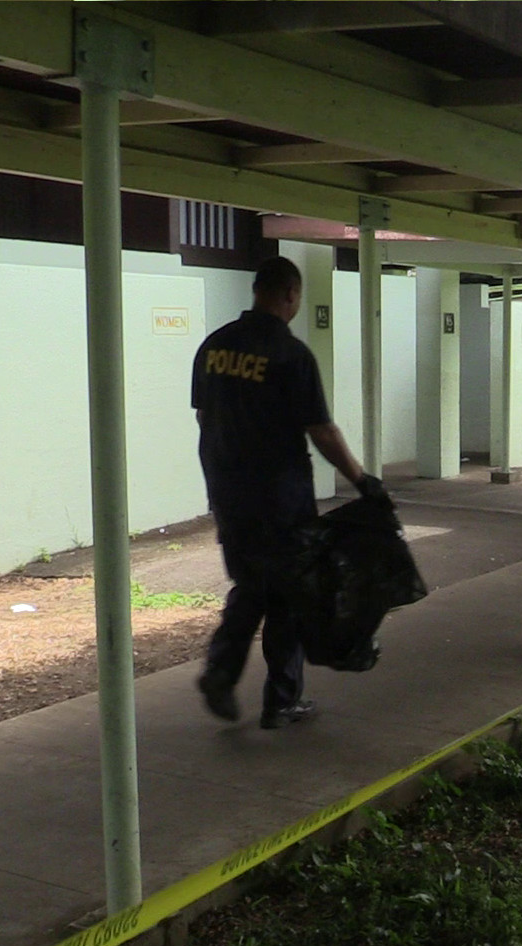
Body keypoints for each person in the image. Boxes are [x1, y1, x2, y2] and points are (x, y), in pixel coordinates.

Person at [191, 256, 386, 729]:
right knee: (289, 593)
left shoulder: (213, 346)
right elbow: (320, 430)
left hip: (228, 491)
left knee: (253, 585)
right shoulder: (290, 354)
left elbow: (204, 416)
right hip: (280, 497)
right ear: (290, 295)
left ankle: (223, 672)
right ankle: (279, 699)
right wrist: (362, 480)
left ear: (256, 288)